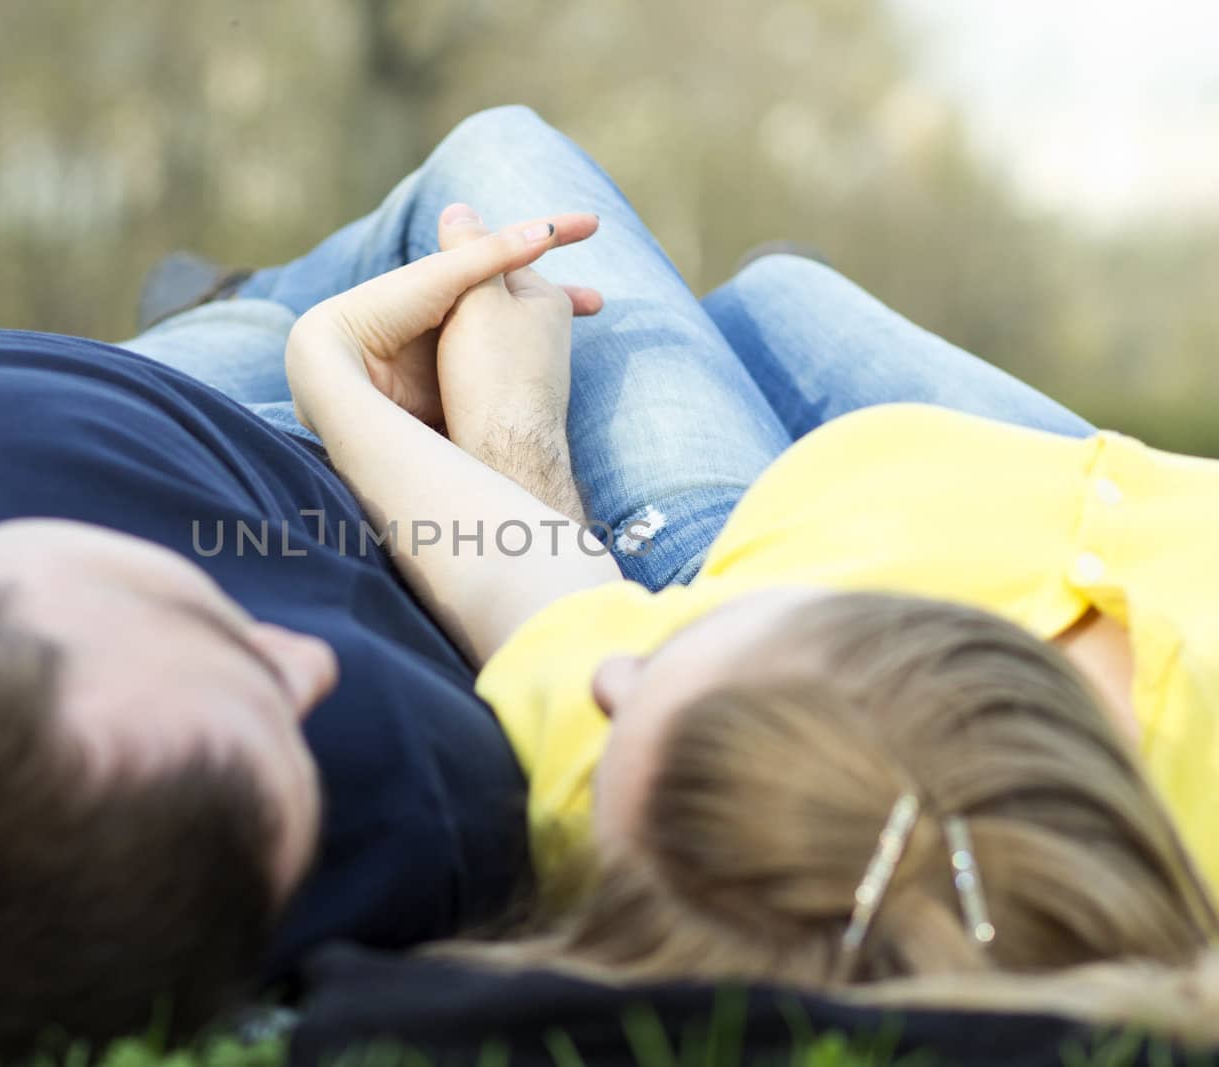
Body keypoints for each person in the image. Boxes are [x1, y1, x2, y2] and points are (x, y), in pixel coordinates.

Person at [253, 106, 1218, 999]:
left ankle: (242, 315)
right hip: (1050, 474)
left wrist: (338, 368)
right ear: (929, 627)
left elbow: (535, 581)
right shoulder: (748, 783)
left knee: (497, 162)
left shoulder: (687, 814)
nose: (610, 678)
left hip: (751, 511)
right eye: (665, 649)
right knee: (773, 298)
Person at [0, 204, 613, 1062]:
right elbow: (576, 654)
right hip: (442, 507)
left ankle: (245, 300)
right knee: (576, 205)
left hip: (181, 381)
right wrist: (501, 449)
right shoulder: (346, 789)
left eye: (204, 623)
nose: (302, 659)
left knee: (348, 269)